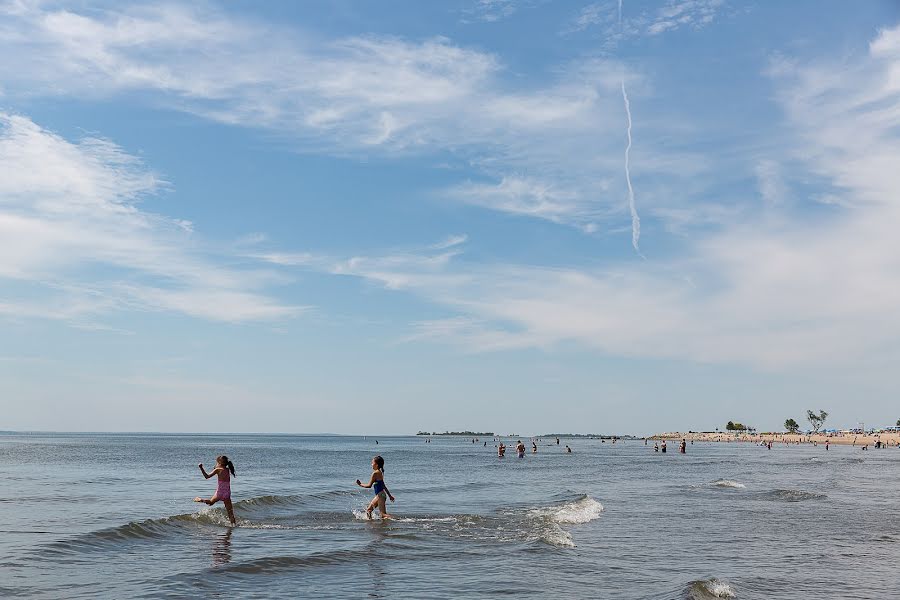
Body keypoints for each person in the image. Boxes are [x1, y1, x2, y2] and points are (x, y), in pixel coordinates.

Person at [194, 455, 237, 526]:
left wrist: (201, 468)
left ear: (219, 462)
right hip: (227, 493)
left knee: (210, 503)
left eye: (216, 462)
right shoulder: (227, 469)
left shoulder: (218, 470)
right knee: (230, 513)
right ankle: (233, 526)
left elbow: (206, 476)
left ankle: (200, 500)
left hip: (219, 493)